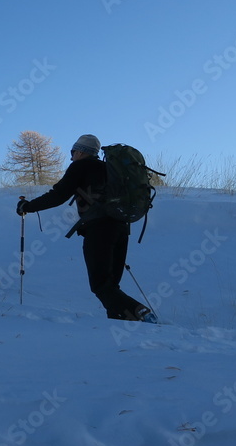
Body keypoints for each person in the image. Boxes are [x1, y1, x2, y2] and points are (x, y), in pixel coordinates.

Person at [15, 134, 157, 323]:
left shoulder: (80, 167)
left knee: (100, 285)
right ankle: (119, 324)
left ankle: (140, 312)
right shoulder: (110, 169)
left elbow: (58, 195)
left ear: (81, 151)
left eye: (73, 152)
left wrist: (28, 206)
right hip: (122, 226)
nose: (71, 156)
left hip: (99, 229)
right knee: (111, 285)